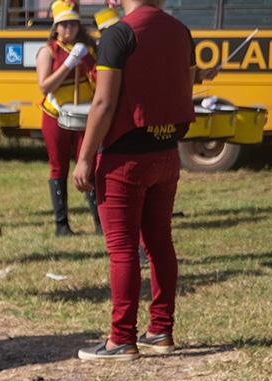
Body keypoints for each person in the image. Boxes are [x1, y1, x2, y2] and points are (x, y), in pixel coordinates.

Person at [72, 0, 207, 361]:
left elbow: (102, 103)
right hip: (166, 154)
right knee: (160, 243)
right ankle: (161, 330)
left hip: (124, 159)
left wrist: (84, 158)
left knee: (123, 249)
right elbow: (189, 80)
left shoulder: (118, 34)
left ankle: (121, 339)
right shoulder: (181, 31)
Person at [36, 0, 101, 236]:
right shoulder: (47, 51)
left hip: (84, 116)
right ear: (55, 28)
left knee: (89, 165)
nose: (68, 30)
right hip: (55, 115)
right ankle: (61, 224)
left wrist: (87, 60)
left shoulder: (88, 50)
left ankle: (99, 222)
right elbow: (44, 86)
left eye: (72, 25)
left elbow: (98, 81)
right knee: (59, 167)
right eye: (63, 25)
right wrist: (69, 63)